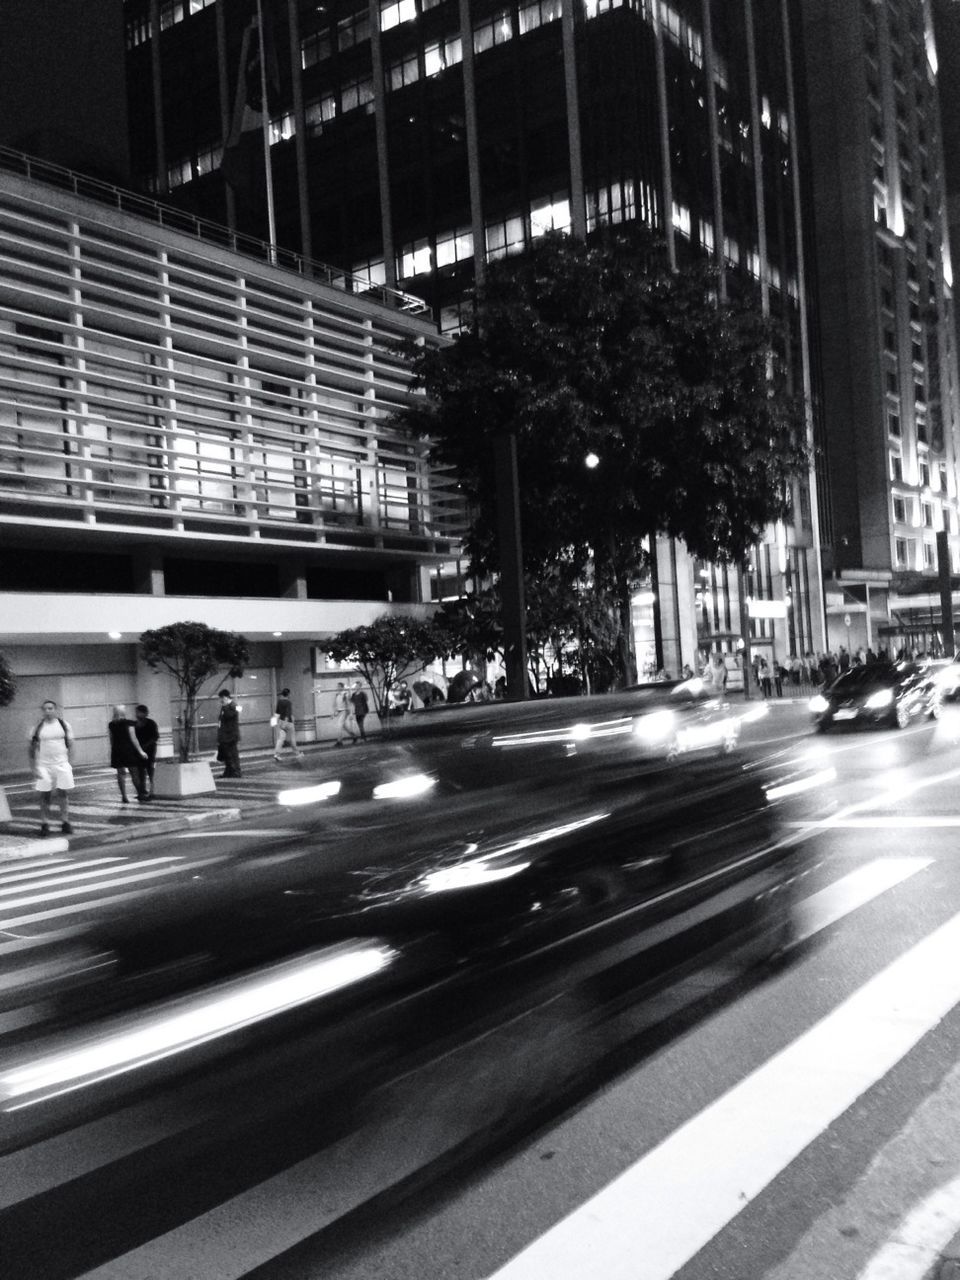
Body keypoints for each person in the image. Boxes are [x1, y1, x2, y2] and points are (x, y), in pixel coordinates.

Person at [29, 699, 75, 836]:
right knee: (44, 795)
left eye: (50, 708)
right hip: (43, 765)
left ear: (56, 710)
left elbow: (71, 745)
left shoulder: (64, 725)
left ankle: (65, 822)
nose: (48, 711)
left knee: (63, 794)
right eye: (45, 709)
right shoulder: (37, 728)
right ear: (42, 711)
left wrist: (69, 764)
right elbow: (31, 748)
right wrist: (33, 767)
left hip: (62, 764)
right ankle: (44, 823)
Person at [108, 704, 149, 803]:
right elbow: (133, 738)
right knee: (134, 772)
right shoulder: (129, 723)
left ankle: (124, 796)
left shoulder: (111, 724)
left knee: (120, 774)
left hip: (117, 750)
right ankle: (140, 794)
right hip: (128, 750)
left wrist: (111, 750)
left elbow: (111, 739)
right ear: (123, 712)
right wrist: (140, 751)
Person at [134, 704, 159, 798]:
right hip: (139, 751)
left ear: (144, 713)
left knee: (150, 769)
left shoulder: (151, 723)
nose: (136, 714)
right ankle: (142, 790)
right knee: (140, 771)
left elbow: (155, 736)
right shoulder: (135, 724)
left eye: (138, 712)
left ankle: (153, 789)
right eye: (136, 712)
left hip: (150, 750)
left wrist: (146, 745)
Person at [217, 688, 242, 778]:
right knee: (227, 755)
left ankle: (236, 772)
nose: (220, 700)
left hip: (231, 735)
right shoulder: (226, 707)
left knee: (233, 755)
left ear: (225, 697)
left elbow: (229, 715)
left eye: (221, 698)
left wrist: (225, 707)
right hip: (225, 735)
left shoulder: (232, 706)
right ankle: (229, 772)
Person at [273, 687, 302, 760]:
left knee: (280, 739)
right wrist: (285, 723)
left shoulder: (279, 701)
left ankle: (277, 754)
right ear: (288, 694)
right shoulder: (288, 702)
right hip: (288, 722)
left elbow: (277, 713)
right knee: (292, 739)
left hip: (280, 721)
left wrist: (276, 722)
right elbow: (287, 714)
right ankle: (297, 753)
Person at [333, 681, 357, 746]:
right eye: (337, 686)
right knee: (344, 726)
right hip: (339, 711)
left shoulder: (345, 694)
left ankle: (339, 741)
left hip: (344, 711)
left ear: (342, 687)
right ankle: (354, 736)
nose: (337, 687)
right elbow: (335, 704)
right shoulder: (337, 694)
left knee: (339, 725)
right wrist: (334, 712)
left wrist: (351, 713)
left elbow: (349, 704)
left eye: (339, 686)